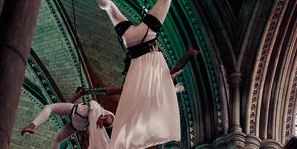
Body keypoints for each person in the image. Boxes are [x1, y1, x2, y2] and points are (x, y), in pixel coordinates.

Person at [79, 0, 181, 149]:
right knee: (115, 7)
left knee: (161, 0)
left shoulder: (150, 74)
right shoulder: (150, 76)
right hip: (136, 44)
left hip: (138, 42)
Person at [70, 46, 200, 102]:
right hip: (145, 86)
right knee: (119, 90)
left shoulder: (163, 82)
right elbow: (176, 69)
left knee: (119, 90)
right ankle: (86, 91)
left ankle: (86, 91)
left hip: (143, 90)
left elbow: (176, 70)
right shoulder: (162, 80)